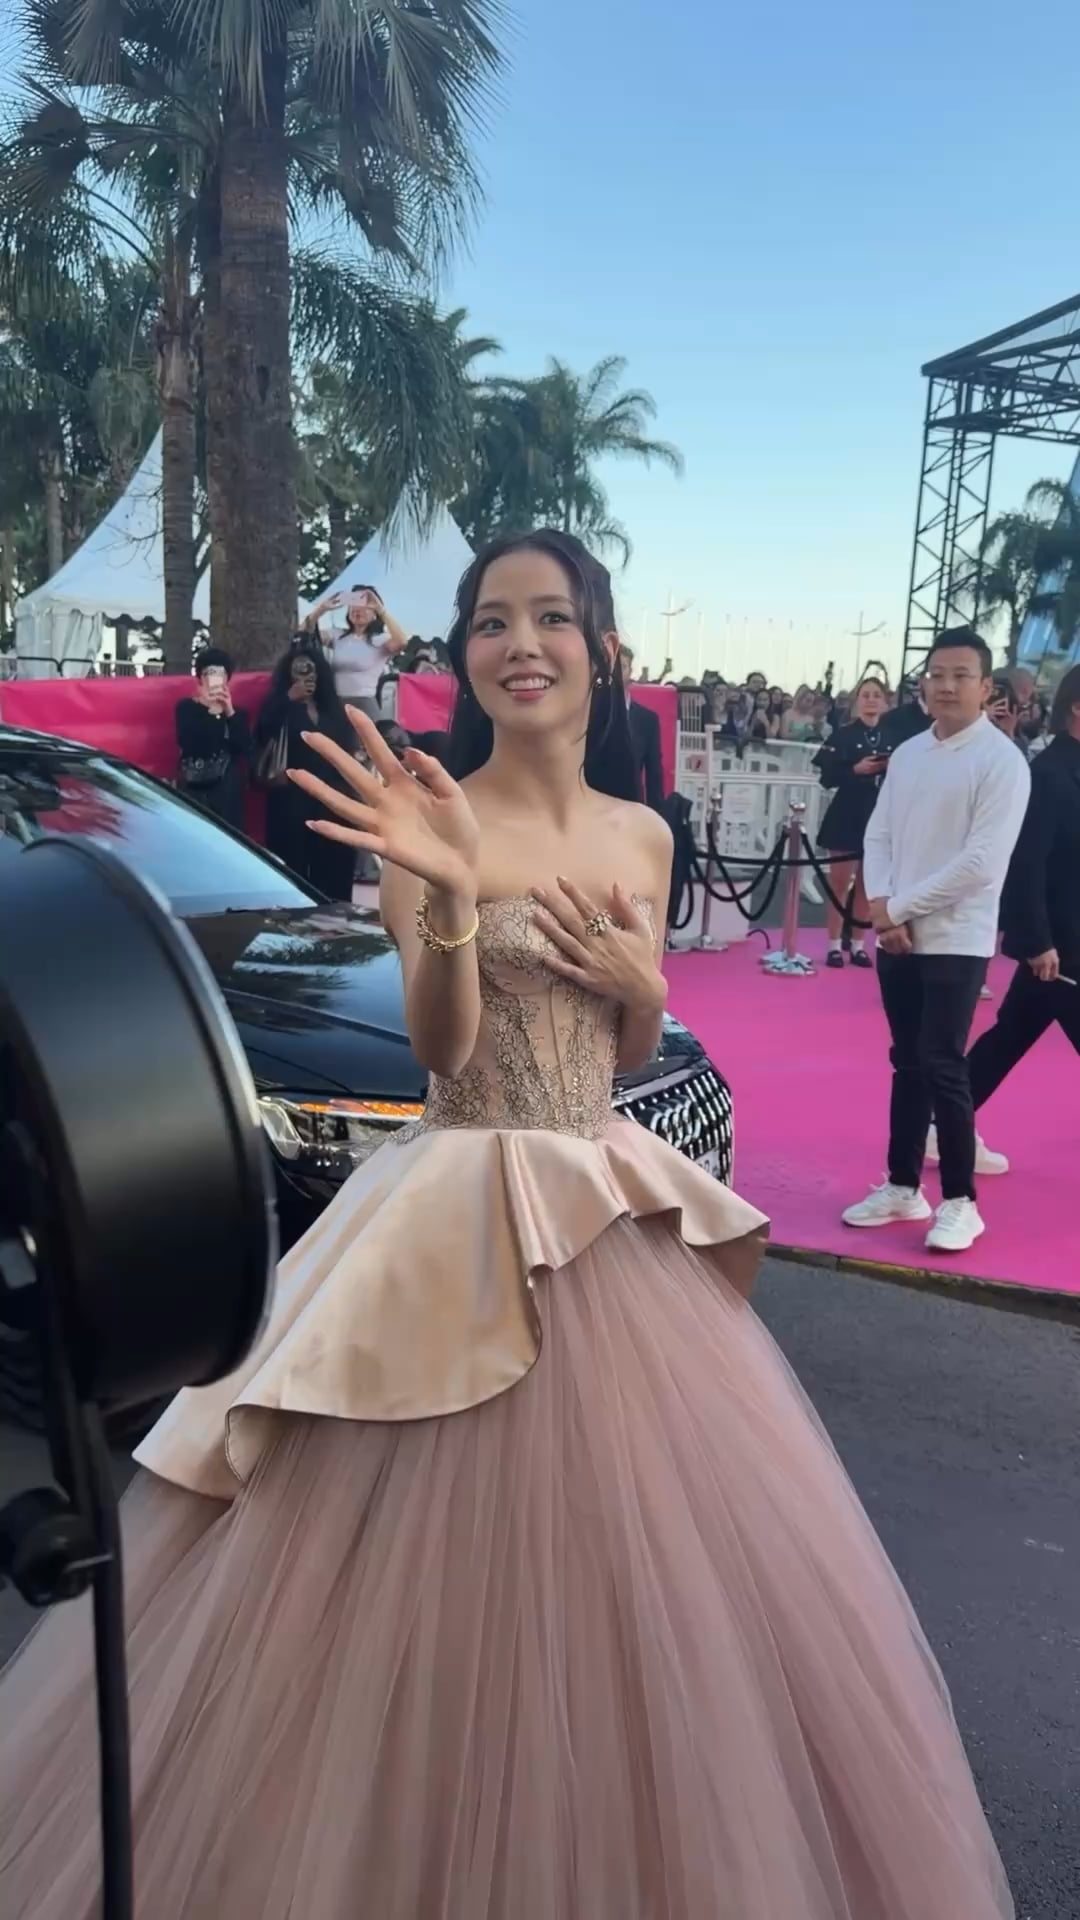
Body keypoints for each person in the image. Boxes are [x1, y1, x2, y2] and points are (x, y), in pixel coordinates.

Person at [0, 533, 1014, 1920]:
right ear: (465, 655)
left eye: (550, 617)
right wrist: (458, 890)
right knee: (394, 1590)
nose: (517, 641)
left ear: (601, 648)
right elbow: (441, 1048)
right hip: (460, 1197)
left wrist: (639, 988)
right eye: (488, 621)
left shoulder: (644, 834)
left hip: (606, 1212)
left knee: (645, 1588)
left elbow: (627, 1033)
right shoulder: (430, 809)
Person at [844, 627, 1030, 1254]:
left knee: (944, 1063)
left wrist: (897, 906)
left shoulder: (1002, 762)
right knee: (907, 1062)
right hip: (897, 936)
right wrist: (883, 910)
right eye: (936, 674)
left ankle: (959, 1199)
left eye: (960, 675)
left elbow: (981, 863)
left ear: (985, 687)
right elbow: (880, 835)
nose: (946, 686)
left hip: (957, 937)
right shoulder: (911, 753)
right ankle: (902, 1185)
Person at [930, 662, 1080, 1171]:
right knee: (1011, 1034)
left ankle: (942, 1125)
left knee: (1011, 1034)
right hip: (1059, 944)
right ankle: (942, 1126)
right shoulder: (1050, 774)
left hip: (1066, 941)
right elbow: (1027, 863)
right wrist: (1037, 941)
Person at [253, 639, 356, 899]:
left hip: (330, 799)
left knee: (334, 868)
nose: (306, 675)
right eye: (299, 669)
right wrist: (289, 700)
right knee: (292, 868)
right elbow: (262, 735)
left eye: (311, 670)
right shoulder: (278, 705)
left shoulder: (332, 710)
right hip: (289, 798)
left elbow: (346, 749)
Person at [813, 674, 891, 969]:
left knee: (868, 886)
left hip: (880, 817)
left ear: (885, 702)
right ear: (857, 701)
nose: (871, 700)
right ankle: (834, 944)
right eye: (865, 694)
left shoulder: (892, 736)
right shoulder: (844, 735)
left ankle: (858, 943)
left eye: (876, 695)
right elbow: (826, 777)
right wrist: (855, 770)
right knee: (840, 883)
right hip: (846, 815)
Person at [174, 645, 251, 827]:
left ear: (227, 679)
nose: (215, 678)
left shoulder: (237, 713)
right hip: (194, 787)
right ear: (200, 677)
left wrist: (229, 711)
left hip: (226, 790)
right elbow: (189, 743)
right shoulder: (186, 707)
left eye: (220, 674)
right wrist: (210, 711)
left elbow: (244, 748)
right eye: (210, 672)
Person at [303, 585, 408, 717]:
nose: (358, 610)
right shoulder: (338, 635)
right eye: (354, 605)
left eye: (365, 607)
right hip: (337, 703)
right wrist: (321, 609)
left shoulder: (380, 640)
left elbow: (402, 642)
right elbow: (304, 632)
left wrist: (381, 610)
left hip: (364, 704)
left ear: (374, 614)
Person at [618, 642, 665, 810]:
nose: (616, 672)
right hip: (591, 808)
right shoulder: (586, 712)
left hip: (631, 807)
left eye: (621, 666)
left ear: (630, 671)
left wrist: (657, 815)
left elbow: (654, 772)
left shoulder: (647, 720)